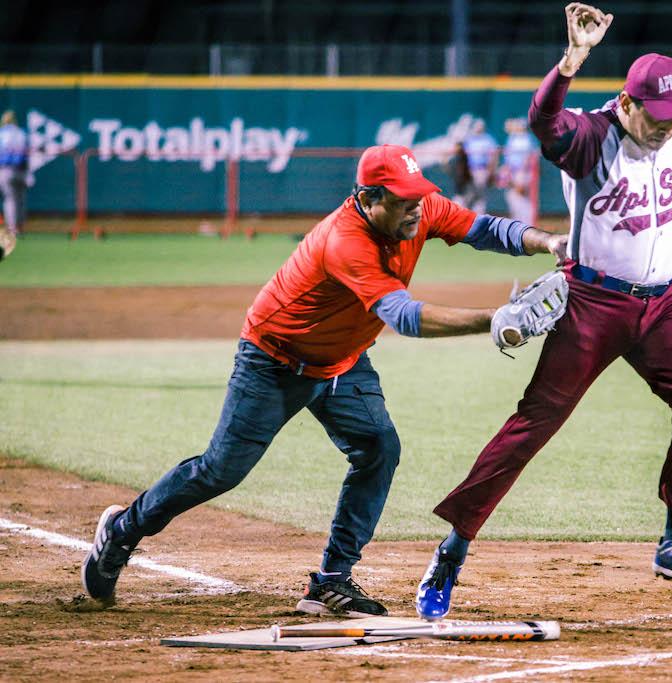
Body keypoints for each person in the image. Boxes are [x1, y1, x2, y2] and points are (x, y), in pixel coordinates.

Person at [81, 144, 567, 615]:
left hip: (342, 359)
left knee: (379, 448)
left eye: (418, 196)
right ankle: (123, 529)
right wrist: (495, 319)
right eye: (402, 201)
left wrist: (548, 242)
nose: (417, 209)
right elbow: (401, 315)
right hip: (275, 360)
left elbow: (484, 227)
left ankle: (332, 582)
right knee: (220, 471)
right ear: (369, 198)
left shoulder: (417, 208)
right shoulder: (346, 241)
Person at [415, 3, 672, 621]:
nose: (666, 129)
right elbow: (543, 121)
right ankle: (454, 546)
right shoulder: (592, 137)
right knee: (535, 424)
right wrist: (571, 61)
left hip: (662, 306)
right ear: (627, 104)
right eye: (655, 117)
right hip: (592, 303)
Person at [499, 118, 538, 223]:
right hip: (515, 172)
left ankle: (525, 224)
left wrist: (520, 176)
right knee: (513, 197)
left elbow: (528, 159)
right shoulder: (514, 138)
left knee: (521, 198)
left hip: (521, 172)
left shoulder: (525, 140)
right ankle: (520, 224)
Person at [0, 110, 29, 237]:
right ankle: (20, 227)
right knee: (21, 199)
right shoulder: (21, 133)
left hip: (5, 169)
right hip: (21, 170)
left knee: (9, 199)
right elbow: (26, 153)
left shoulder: (1, 133)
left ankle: (12, 229)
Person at [461, 121, 500, 213]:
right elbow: (463, 156)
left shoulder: (488, 139)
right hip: (469, 170)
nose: (478, 128)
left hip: (482, 169)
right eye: (476, 127)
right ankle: (466, 217)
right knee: (468, 195)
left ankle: (478, 217)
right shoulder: (469, 139)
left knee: (480, 195)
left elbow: (494, 155)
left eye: (480, 127)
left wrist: (491, 171)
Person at [448, 140, 472, 208]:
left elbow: (464, 169)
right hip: (459, 181)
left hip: (463, 180)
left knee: (462, 198)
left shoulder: (463, 156)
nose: (456, 148)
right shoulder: (456, 157)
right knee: (459, 197)